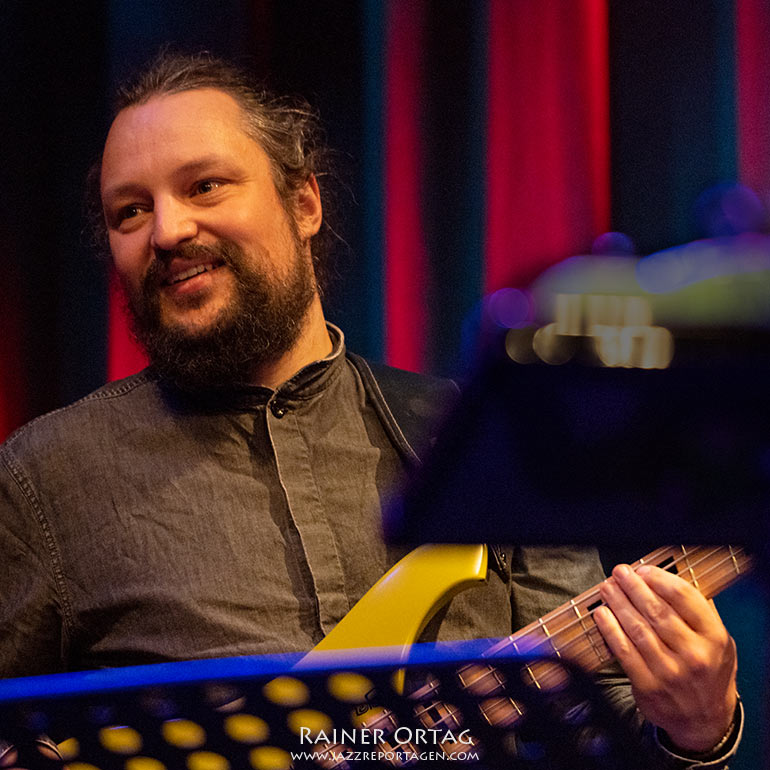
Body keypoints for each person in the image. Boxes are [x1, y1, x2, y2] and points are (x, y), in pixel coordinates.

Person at [0, 52, 740, 767]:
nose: (167, 231)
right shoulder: (45, 479)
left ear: (304, 203)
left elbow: (596, 730)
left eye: (205, 187)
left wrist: (696, 729)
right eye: (131, 211)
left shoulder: (486, 441)